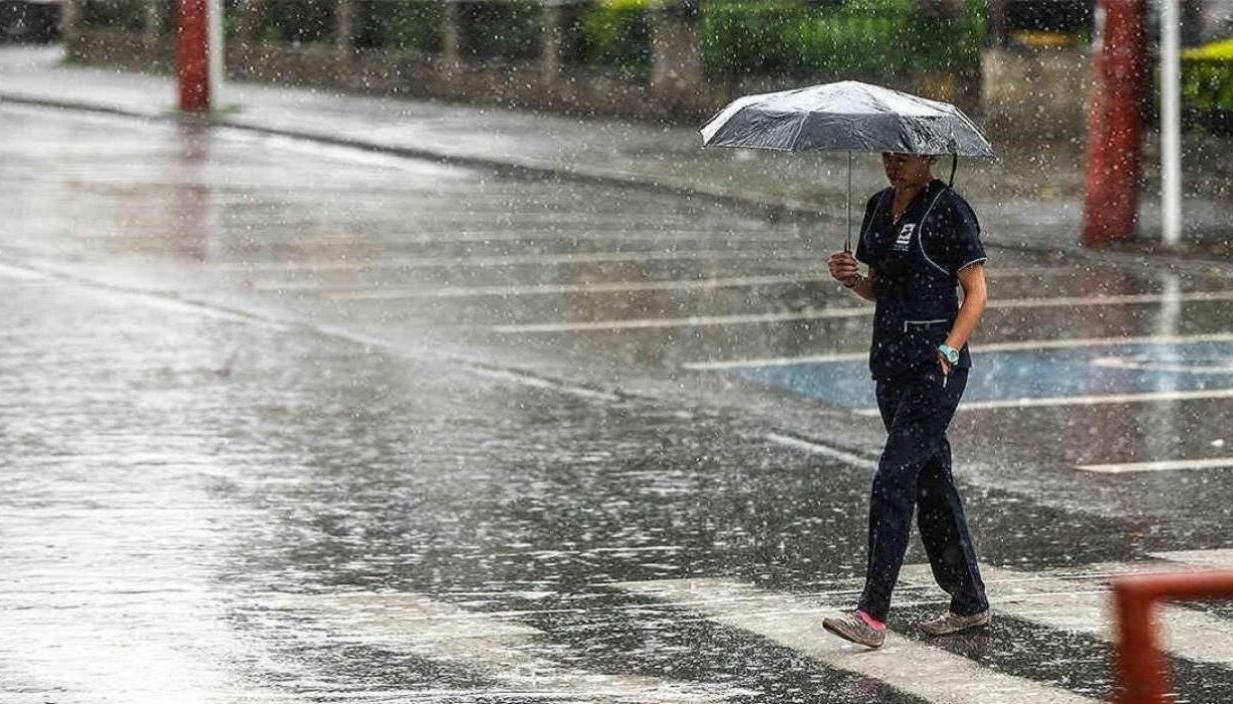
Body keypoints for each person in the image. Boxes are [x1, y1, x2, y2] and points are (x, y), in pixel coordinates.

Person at [821, 152, 990, 649]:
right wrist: (852, 278)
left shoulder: (949, 209)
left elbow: (976, 292)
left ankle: (871, 614)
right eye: (887, 155)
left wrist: (949, 349)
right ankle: (969, 601)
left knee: (893, 480)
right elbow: (884, 288)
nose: (893, 165)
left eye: (905, 156)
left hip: (934, 370)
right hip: (890, 365)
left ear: (931, 155)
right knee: (932, 482)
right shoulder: (876, 206)